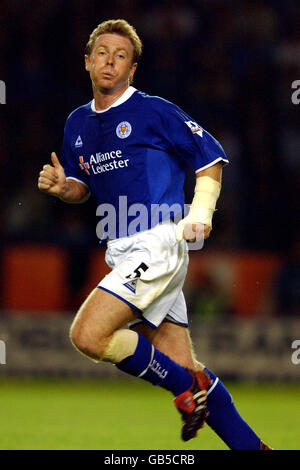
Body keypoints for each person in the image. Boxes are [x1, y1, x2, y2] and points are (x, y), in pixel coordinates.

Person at [38, 19, 272, 450]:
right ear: (87, 61)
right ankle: (249, 442)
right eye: (102, 53)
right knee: (189, 366)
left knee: (87, 336)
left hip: (157, 243)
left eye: (121, 55)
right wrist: (64, 187)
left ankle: (185, 389)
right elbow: (83, 187)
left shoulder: (153, 110)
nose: (110, 61)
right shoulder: (77, 123)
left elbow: (211, 159)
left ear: (132, 69)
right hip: (121, 248)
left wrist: (201, 214)